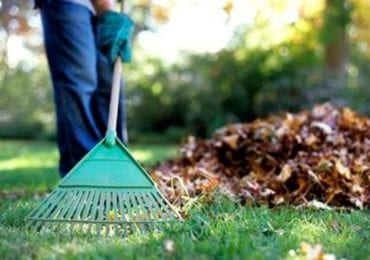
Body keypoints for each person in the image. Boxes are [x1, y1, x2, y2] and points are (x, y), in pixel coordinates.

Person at [35, 0, 134, 177]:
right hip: (70, 3)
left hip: (102, 9)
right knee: (79, 81)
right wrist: (106, 8)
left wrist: (108, 11)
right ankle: (84, 174)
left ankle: (115, 172)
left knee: (110, 85)